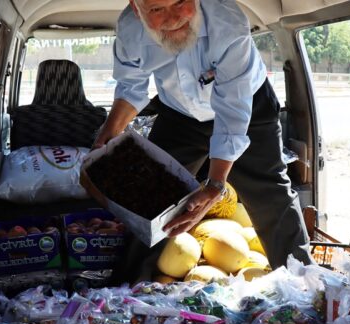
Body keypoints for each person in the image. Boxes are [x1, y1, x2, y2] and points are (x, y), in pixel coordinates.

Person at [94, 0, 313, 276]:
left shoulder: (227, 21)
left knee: (270, 194)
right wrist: (107, 136)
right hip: (179, 112)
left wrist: (216, 183)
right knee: (151, 195)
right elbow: (131, 86)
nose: (173, 18)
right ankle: (130, 290)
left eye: (180, 3)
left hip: (248, 107)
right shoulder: (129, 27)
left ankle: (304, 284)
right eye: (157, 10)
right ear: (136, 9)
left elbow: (233, 111)